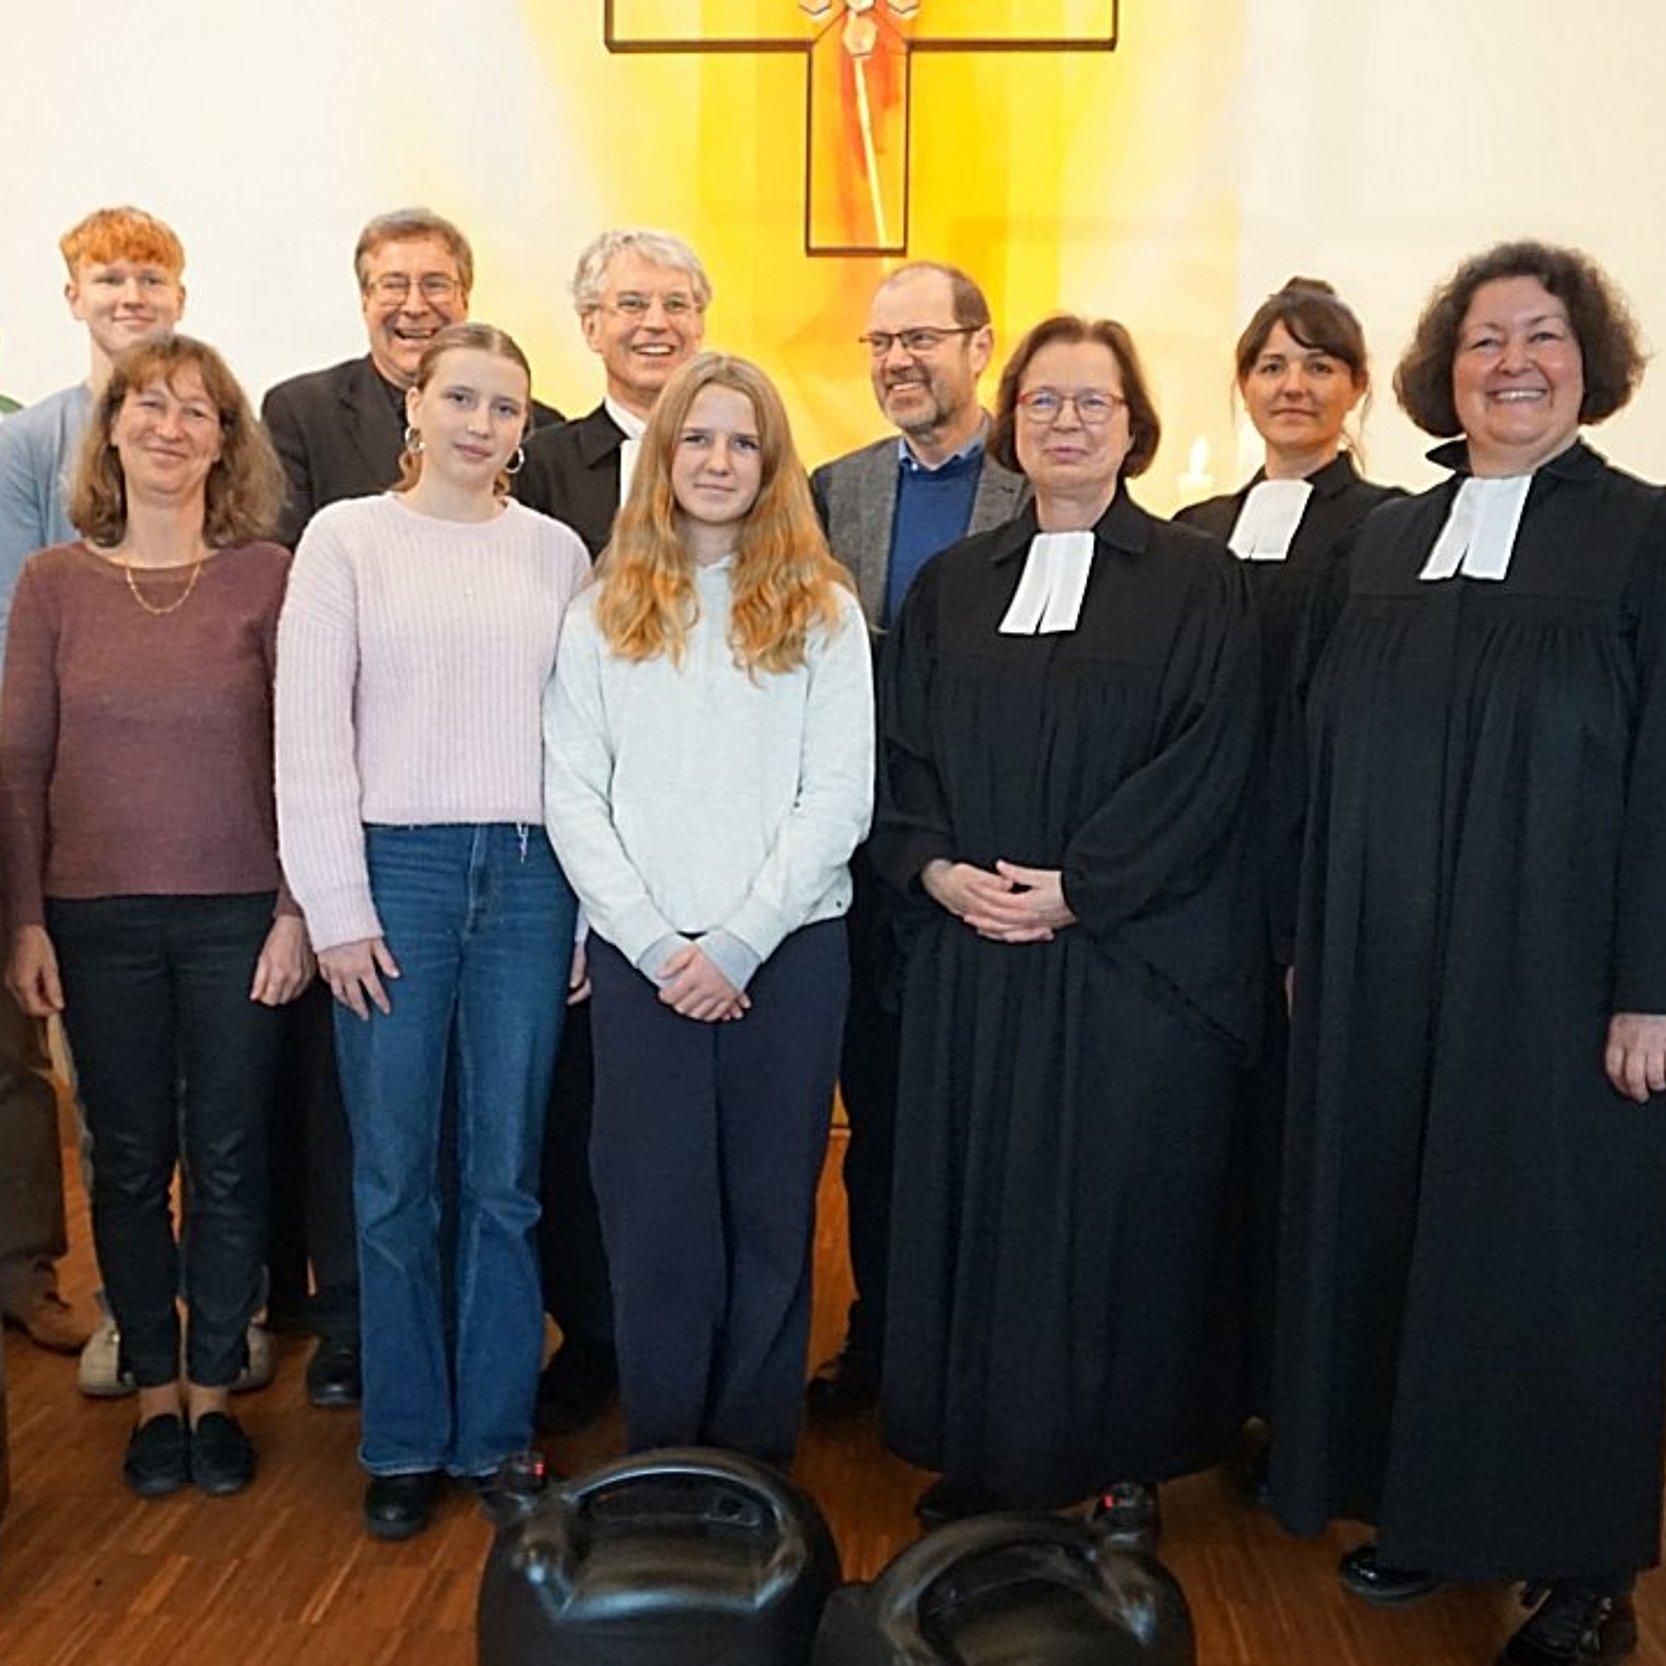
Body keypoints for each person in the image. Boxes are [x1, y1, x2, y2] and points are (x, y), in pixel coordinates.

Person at [1271, 242, 1666, 1666]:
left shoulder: (1640, 535)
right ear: (1445, 366)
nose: (1511, 360)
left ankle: (1583, 1567)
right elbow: (1324, 756)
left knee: (1549, 1256)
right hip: (1384, 962)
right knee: (1402, 1228)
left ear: (1587, 364)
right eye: (1485, 338)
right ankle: (1424, 1506)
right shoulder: (1386, 536)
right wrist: (1312, 939)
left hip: (1553, 968)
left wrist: (1650, 981)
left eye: (1541, 336)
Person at [872, 315, 1261, 1529]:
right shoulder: (952, 586)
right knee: (978, 1196)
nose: (1066, 425)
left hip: (1123, 959)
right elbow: (901, 750)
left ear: (1134, 425)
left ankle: (1119, 1455)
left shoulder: (1202, 583)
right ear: (1010, 421)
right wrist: (935, 871)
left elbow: (1212, 760)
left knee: (1116, 1209)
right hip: (975, 950)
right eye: (1043, 403)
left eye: (1092, 404)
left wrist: (1081, 885)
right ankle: (982, 1442)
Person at [276, 322, 589, 1540]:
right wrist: (336, 907)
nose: (479, 422)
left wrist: (578, 912)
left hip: (526, 875)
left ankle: (497, 1436)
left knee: (506, 1178)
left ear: (524, 428)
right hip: (392, 873)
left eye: (504, 407)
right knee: (398, 1176)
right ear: (414, 407)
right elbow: (307, 737)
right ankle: (406, 1437)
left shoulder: (555, 553)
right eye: (458, 397)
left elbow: (578, 739)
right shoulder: (346, 538)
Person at [544, 351, 871, 1465]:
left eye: (743, 441)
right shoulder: (601, 611)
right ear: (662, 458)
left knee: (769, 1212)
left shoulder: (823, 610)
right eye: (698, 438)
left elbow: (838, 797)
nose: (720, 460)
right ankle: (666, 1450)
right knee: (653, 1217)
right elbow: (571, 794)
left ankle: (753, 1457)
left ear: (773, 463)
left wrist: (734, 942)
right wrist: (653, 941)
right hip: (645, 964)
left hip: (784, 956)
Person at [0, 333, 310, 1497]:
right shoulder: (53, 583)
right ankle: (152, 1389)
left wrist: (294, 909)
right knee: (126, 1162)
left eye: (197, 411)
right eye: (149, 406)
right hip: (92, 918)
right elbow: (21, 759)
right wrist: (23, 919)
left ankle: (217, 1383)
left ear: (226, 440)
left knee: (228, 1158)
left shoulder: (266, 576)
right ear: (112, 428)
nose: (171, 427)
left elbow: (304, 758)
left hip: (241, 914)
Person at [1175, 278, 1398, 1436]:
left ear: (1356, 388)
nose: (1291, 387)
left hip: (1305, 881)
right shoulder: (1196, 530)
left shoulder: (1388, 528)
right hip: (1191, 886)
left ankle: (1290, 1409)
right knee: (1196, 1150)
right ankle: (1202, 1393)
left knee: (1293, 1156)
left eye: (1317, 365)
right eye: (1269, 364)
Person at [805, 261, 1027, 1417]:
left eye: (921, 338)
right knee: (881, 1123)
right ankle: (881, 1342)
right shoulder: (831, 490)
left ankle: (980, 1354)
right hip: (862, 860)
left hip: (989, 858)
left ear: (980, 347)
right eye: (879, 342)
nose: (897, 360)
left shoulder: (1037, 481)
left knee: (987, 1126)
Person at [514, 227, 713, 1434]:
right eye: (629, 303)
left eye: (677, 302)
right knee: (580, 1120)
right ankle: (596, 1333)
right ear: (587, 325)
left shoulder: (742, 450)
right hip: (578, 842)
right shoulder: (538, 467)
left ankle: (700, 1343)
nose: (654, 321)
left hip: (715, 843)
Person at [0, 206, 187, 1389]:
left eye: (151, 277)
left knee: (191, 1087)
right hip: (69, 803)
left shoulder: (206, 418)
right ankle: (111, 1298)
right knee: (95, 1079)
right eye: (108, 277)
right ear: (72, 295)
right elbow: (13, 613)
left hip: (184, 804)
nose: (130, 295)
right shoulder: (32, 445)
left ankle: (201, 1306)